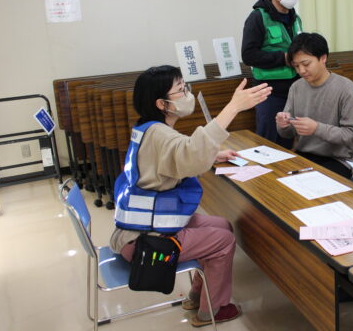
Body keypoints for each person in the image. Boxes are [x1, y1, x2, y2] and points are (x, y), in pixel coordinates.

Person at [110, 65, 271, 327]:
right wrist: (233, 107)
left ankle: (198, 295)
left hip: (141, 229)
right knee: (224, 241)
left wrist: (213, 155)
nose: (187, 94)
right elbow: (188, 154)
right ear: (162, 104)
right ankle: (213, 311)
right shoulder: (160, 134)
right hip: (146, 244)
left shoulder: (148, 128)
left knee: (222, 224)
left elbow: (176, 159)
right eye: (181, 89)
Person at [276, 33, 353, 178]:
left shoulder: (346, 88)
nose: (301, 71)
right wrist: (283, 125)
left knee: (307, 185)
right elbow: (287, 134)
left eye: (306, 64)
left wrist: (316, 128)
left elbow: (352, 136)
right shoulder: (296, 87)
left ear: (323, 58)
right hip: (304, 154)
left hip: (338, 160)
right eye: (296, 66)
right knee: (274, 179)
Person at [242, 0, 303, 149]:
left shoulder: (296, 18)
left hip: (294, 90)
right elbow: (248, 55)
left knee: (288, 140)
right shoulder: (258, 17)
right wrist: (283, 58)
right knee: (269, 142)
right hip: (269, 91)